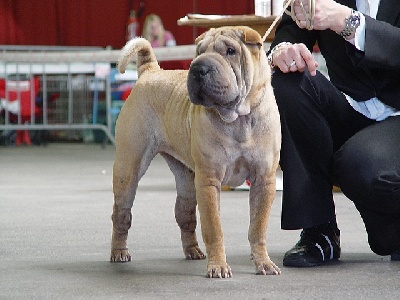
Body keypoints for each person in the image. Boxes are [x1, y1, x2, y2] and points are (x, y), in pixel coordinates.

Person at [267, 0, 400, 267]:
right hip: (350, 104)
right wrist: (282, 52)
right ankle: (319, 230)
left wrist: (347, 21)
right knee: (289, 82)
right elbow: (289, 31)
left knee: (360, 166)